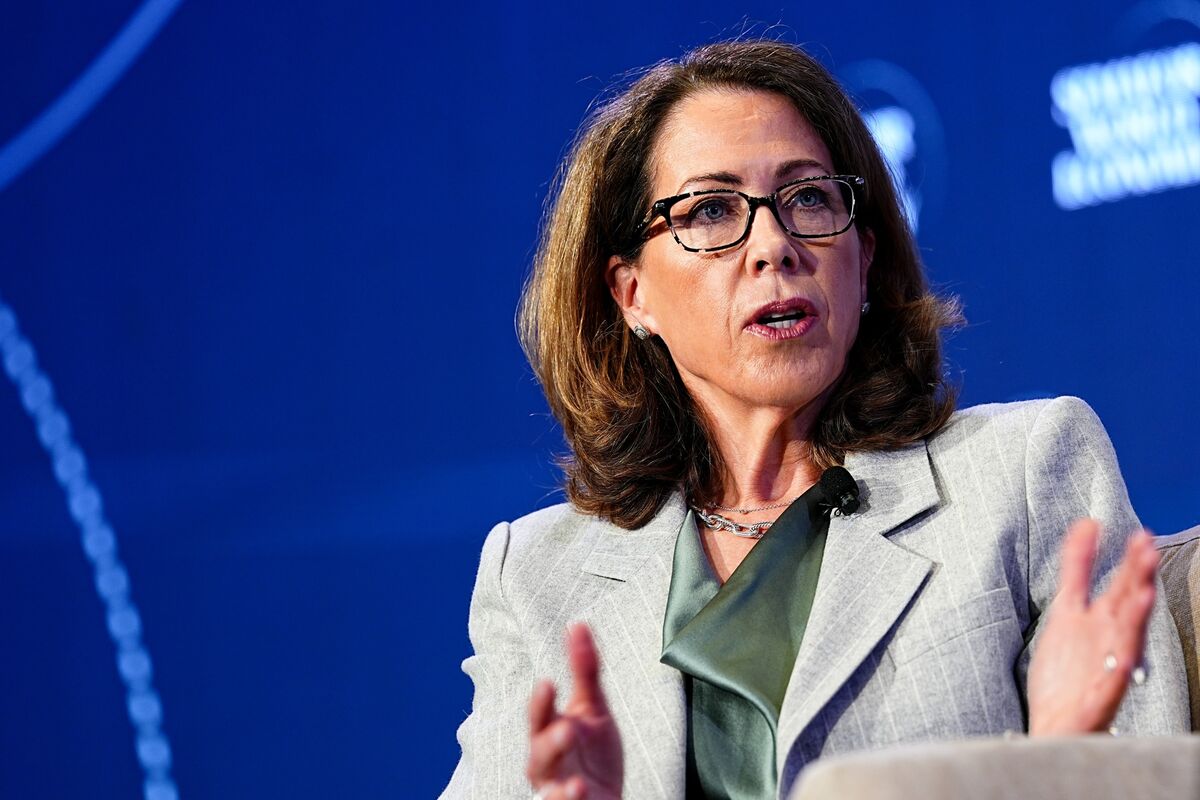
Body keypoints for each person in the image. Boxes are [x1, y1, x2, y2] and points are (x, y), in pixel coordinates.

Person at [440, 40, 1190, 800]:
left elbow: (1148, 778)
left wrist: (1061, 754)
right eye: (711, 210)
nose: (775, 246)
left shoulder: (1022, 474)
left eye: (808, 199)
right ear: (632, 293)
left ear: (863, 258)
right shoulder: (537, 576)